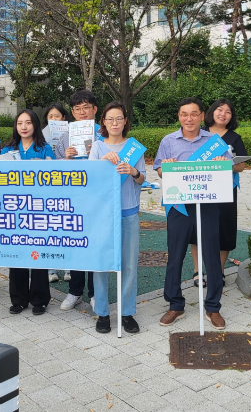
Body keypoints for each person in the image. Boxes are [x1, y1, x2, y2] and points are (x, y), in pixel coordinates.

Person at [154, 97, 231, 330]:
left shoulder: (214, 142)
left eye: (194, 114)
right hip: (178, 206)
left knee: (211, 255)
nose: (189, 118)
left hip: (207, 205)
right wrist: (163, 168)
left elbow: (227, 169)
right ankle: (175, 305)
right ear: (179, 117)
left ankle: (213, 307)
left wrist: (220, 163)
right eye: (184, 114)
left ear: (201, 116)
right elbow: (158, 170)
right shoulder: (168, 141)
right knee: (175, 255)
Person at [89, 102, 146, 334]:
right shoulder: (97, 147)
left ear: (125, 121)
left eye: (119, 118)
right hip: (103, 214)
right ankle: (102, 313)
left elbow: (143, 179)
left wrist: (133, 172)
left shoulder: (135, 149)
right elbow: (89, 179)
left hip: (129, 211)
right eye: (110, 119)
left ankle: (126, 312)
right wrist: (104, 162)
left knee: (129, 264)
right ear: (103, 121)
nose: (114, 123)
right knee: (101, 263)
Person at [1, 110, 55, 316]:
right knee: (17, 254)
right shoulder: (7, 149)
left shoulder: (44, 148)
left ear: (35, 125)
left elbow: (52, 177)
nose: (24, 127)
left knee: (38, 254)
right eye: (20, 123)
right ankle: (19, 299)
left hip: (38, 208)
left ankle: (40, 299)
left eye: (28, 123)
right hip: (14, 208)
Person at [190, 99, 247, 288]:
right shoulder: (199, 134)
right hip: (201, 189)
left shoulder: (234, 138)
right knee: (197, 228)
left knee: (225, 229)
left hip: (226, 190)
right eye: (219, 110)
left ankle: (219, 271)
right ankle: (198, 271)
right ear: (211, 112)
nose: (223, 114)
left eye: (228, 112)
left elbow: (241, 165)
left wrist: (225, 164)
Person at [55, 90, 101, 310]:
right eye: (77, 108)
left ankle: (94, 292)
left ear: (95, 109)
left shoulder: (104, 133)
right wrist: (66, 158)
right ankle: (74, 291)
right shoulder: (65, 137)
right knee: (75, 245)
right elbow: (55, 171)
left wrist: (97, 153)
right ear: (72, 112)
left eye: (86, 107)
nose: (82, 112)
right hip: (73, 199)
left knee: (94, 245)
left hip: (98, 199)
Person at [42, 103, 73, 283]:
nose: (54, 120)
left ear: (64, 118)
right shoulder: (41, 137)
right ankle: (51, 269)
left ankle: (69, 268)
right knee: (51, 227)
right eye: (50, 117)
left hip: (68, 186)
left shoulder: (73, 134)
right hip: (49, 186)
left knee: (67, 226)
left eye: (57, 116)